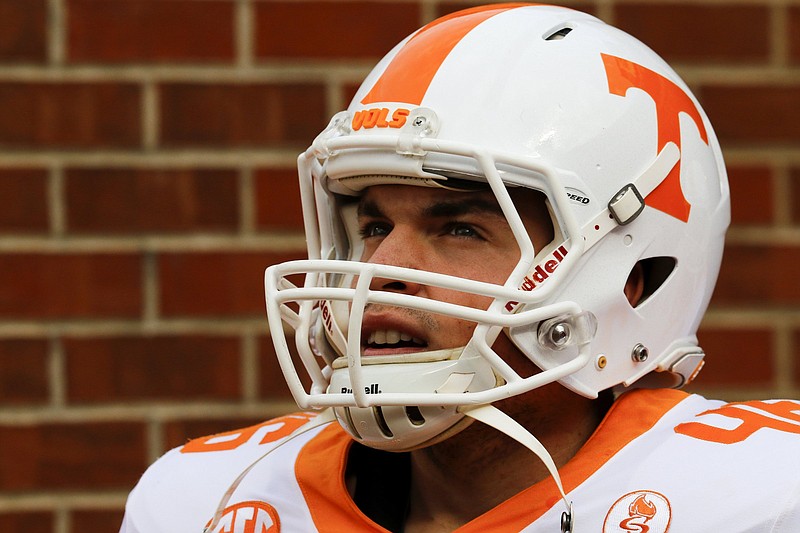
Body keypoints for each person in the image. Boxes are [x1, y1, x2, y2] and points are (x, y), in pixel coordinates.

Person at [121, 4, 800, 532]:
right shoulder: (211, 499)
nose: (382, 267)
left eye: (460, 228)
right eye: (375, 225)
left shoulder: (759, 498)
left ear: (632, 275)